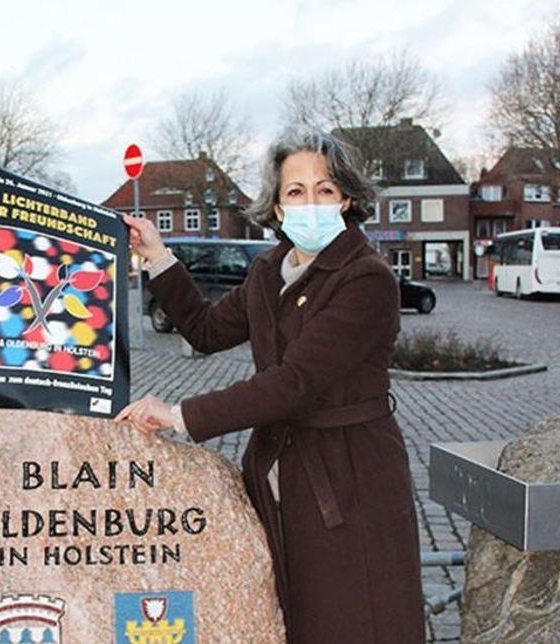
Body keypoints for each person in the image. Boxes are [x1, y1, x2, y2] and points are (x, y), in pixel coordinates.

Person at [116, 127, 424, 643]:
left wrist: (178, 414)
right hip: (280, 472)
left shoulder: (366, 277)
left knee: (357, 619)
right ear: (278, 207)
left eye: (325, 190)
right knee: (294, 618)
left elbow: (295, 382)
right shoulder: (267, 270)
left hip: (349, 477)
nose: (311, 203)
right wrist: (158, 256)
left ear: (346, 198)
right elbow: (207, 330)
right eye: (296, 192)